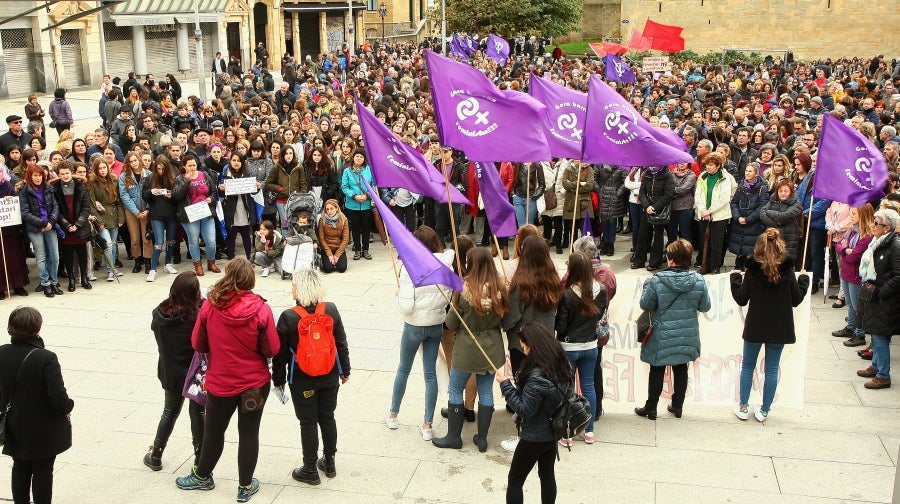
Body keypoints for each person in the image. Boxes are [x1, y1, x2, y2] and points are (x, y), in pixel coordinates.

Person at [176, 258, 280, 502]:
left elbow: (197, 344)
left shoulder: (210, 307)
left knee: (213, 433)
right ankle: (245, 487)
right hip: (254, 384)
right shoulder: (261, 309)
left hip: (221, 383)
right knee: (249, 434)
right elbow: (271, 349)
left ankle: (202, 477)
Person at [272, 268, 351, 485]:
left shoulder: (288, 317)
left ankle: (309, 469)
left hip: (302, 379)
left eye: (294, 284)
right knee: (328, 417)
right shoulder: (331, 310)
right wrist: (345, 370)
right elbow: (341, 343)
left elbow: (280, 356)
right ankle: (330, 461)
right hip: (330, 375)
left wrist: (278, 380)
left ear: (299, 288)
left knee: (308, 422)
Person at [433, 246, 508, 452]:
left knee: (456, 388)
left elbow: (451, 323)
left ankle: (453, 437)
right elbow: (504, 320)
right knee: (486, 390)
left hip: (467, 347)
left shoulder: (463, 291)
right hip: (492, 346)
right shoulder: (499, 290)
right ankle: (482, 439)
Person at [730, 229, 810, 421]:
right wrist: (804, 281)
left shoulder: (752, 272)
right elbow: (796, 300)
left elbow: (741, 299)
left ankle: (743, 406)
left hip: (756, 325)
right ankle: (765, 410)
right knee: (772, 368)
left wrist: (734, 279)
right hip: (779, 326)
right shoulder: (788, 271)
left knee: (748, 366)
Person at [386, 226, 455, 440]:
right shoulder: (445, 265)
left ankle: (393, 414)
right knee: (430, 375)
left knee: (403, 369)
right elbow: (449, 296)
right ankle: (427, 424)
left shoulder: (410, 267)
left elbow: (406, 306)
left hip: (414, 325)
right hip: (435, 323)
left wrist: (398, 296)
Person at [0, 307, 74, 504]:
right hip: (43, 428)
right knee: (42, 471)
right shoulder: (46, 358)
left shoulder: (2, 353)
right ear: (37, 329)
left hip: (15, 424)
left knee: (20, 467)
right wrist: (69, 407)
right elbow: (59, 399)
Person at [495, 323, 572, 504]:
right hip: (552, 432)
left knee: (515, 481)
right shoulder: (560, 363)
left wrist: (505, 385)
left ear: (534, 346)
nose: (524, 351)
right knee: (547, 477)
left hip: (534, 437)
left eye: (525, 347)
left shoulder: (537, 376)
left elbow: (524, 409)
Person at [635, 239, 711, 420]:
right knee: (681, 367)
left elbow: (645, 304)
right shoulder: (698, 280)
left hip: (662, 333)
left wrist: (647, 287)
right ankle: (677, 406)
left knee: (657, 368)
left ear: (671, 259)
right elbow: (705, 307)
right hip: (687, 332)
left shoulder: (656, 281)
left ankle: (651, 407)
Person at [144, 272, 205, 471]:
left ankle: (156, 454)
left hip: (170, 371)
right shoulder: (197, 316)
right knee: (197, 412)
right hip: (194, 374)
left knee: (169, 412)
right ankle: (199, 458)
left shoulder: (159, 312)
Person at [555, 253, 605, 446]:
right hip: (591, 345)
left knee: (568, 389)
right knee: (588, 387)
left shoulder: (567, 294)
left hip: (569, 347)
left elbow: (562, 326)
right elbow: (600, 315)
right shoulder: (600, 290)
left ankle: (567, 433)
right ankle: (589, 430)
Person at [855, 208, 900, 390]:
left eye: (876, 222)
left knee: (881, 336)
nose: (872, 225)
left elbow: (898, 276)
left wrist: (882, 291)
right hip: (875, 296)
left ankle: (883, 375)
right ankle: (875, 366)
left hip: (886, 300)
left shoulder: (895, 246)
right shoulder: (878, 241)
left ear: (887, 228)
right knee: (875, 332)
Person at [832, 204, 875, 347]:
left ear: (862, 215)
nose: (851, 216)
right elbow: (838, 245)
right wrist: (845, 249)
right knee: (850, 304)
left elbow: (854, 257)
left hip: (856, 275)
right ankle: (850, 327)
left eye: (854, 214)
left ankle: (859, 333)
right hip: (846, 272)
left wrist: (844, 249)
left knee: (857, 306)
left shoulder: (867, 236)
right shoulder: (852, 230)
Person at [173, 153, 221, 276]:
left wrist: (211, 198)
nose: (192, 168)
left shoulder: (204, 175)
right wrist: (186, 180)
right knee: (193, 241)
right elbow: (176, 195)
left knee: (210, 240)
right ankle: (198, 265)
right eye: (189, 166)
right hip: (190, 215)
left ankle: (211, 262)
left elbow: (213, 191)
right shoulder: (179, 179)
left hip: (205, 212)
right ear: (184, 167)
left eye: (194, 165)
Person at [20, 164, 62, 297]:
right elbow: (25, 213)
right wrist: (42, 223)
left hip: (50, 225)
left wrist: (51, 221)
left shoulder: (48, 187)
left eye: (40, 175)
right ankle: (45, 283)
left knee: (54, 255)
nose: (38, 178)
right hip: (35, 228)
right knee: (41, 256)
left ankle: (54, 282)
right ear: (30, 176)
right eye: (35, 175)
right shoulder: (25, 190)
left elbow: (55, 206)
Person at [52, 162, 92, 292]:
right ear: (58, 174)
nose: (65, 176)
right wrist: (67, 225)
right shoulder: (55, 188)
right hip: (66, 226)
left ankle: (84, 278)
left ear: (71, 172)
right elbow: (56, 209)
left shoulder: (81, 186)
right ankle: (71, 279)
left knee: (82, 254)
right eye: (62, 174)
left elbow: (86, 208)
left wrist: (78, 224)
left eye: (67, 173)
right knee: (68, 255)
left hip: (80, 226)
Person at [694, 152, 735, 274]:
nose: (708, 167)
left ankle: (715, 266)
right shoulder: (703, 176)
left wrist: (710, 210)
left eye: (711, 165)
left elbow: (724, 198)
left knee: (716, 242)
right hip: (703, 214)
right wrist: (702, 209)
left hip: (719, 216)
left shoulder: (725, 178)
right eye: (707, 164)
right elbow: (698, 194)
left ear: (718, 165)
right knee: (704, 242)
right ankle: (705, 265)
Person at [88, 157, 125, 282]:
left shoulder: (114, 180)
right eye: (100, 168)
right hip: (101, 215)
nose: (102, 170)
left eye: (104, 167)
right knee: (107, 244)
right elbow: (92, 204)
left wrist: (121, 217)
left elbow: (119, 202)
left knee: (113, 244)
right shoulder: (92, 183)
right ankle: (110, 271)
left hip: (113, 215)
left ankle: (112, 268)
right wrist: (98, 221)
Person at [143, 155, 179, 281]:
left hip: (171, 214)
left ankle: (168, 263)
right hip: (156, 214)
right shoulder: (149, 178)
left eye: (162, 169)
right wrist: (150, 192)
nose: (160, 171)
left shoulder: (173, 178)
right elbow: (144, 196)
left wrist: (172, 195)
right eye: (158, 169)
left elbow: (178, 195)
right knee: (158, 242)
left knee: (170, 240)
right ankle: (153, 269)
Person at [632, 164, 675, 271]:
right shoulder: (647, 173)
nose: (653, 165)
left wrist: (655, 207)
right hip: (647, 209)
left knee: (658, 237)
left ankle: (655, 262)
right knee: (642, 235)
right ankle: (639, 260)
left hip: (660, 210)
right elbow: (642, 192)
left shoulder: (667, 174)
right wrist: (647, 206)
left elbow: (669, 194)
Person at [728, 164, 769, 270]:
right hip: (739, 223)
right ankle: (738, 269)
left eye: (750, 171)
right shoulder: (741, 185)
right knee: (740, 251)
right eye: (746, 170)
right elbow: (734, 203)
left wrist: (748, 219)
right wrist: (737, 217)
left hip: (753, 224)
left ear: (756, 173)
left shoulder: (762, 188)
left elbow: (762, 206)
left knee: (752, 251)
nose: (747, 173)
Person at [119, 152, 153, 274]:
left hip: (146, 209)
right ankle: (137, 261)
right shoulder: (124, 176)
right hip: (131, 210)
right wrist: (135, 211)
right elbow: (124, 195)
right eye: (131, 161)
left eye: (135, 160)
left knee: (147, 237)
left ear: (139, 160)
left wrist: (147, 209)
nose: (133, 163)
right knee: (134, 238)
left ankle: (148, 262)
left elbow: (152, 193)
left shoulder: (148, 174)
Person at [0, 161, 29, 298]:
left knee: (14, 258)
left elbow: (16, 204)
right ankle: (1, 288)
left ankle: (18, 285)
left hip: (11, 230)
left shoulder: (8, 186)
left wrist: (11, 199)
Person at [340, 149, 374, 260]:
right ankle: (357, 250)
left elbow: (374, 185)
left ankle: (366, 249)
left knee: (366, 228)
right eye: (356, 156)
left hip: (366, 203)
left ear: (364, 159)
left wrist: (367, 195)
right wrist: (354, 196)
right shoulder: (347, 171)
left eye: (361, 156)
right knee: (355, 228)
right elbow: (344, 187)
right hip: (352, 204)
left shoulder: (369, 170)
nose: (358, 158)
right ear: (353, 157)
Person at [759, 179, 803, 263]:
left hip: (789, 239)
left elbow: (783, 216)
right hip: (773, 238)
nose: (783, 193)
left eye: (786, 191)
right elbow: (762, 213)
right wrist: (775, 223)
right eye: (780, 191)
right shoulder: (772, 200)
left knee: (786, 264)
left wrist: (769, 212)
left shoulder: (796, 204)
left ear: (791, 192)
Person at [317, 198, 349, 274]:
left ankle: (336, 261)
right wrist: (329, 254)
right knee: (328, 269)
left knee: (342, 268)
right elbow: (321, 238)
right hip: (327, 248)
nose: (329, 211)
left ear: (337, 208)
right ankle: (326, 261)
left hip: (338, 247)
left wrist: (337, 255)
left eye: (331, 209)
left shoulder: (344, 219)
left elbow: (346, 238)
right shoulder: (322, 219)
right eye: (327, 209)